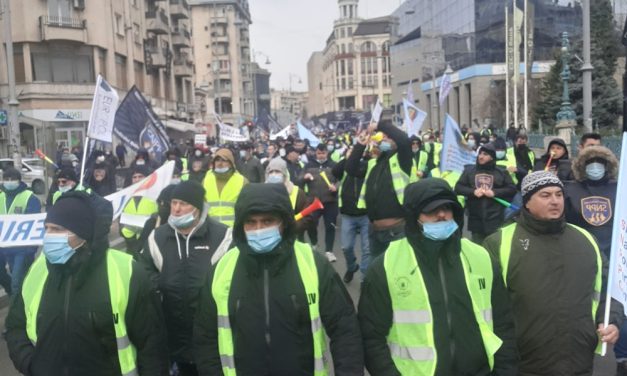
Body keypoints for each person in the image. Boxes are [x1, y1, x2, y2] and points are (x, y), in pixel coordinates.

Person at [193, 183, 364, 375]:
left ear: (284, 223)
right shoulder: (222, 270)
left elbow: (344, 329)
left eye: (267, 221)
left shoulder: (313, 264)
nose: (258, 229)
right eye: (251, 222)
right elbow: (205, 337)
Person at [358, 178, 518, 376]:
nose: (441, 215)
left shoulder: (480, 257)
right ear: (414, 216)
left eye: (447, 208)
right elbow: (371, 338)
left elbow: (503, 323)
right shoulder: (386, 265)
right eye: (431, 210)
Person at [5, 192, 169, 375]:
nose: (48, 237)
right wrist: (30, 363)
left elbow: (152, 345)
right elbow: (15, 325)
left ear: (85, 235)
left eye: (58, 229)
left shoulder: (127, 272)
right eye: (47, 228)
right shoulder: (38, 270)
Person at [483, 171, 623, 376]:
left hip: (579, 361)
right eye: (545, 195)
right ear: (527, 202)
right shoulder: (499, 243)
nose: (555, 201)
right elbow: (486, 305)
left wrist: (610, 319)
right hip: (524, 365)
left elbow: (607, 289)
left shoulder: (586, 240)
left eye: (558, 194)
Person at [141, 180, 232, 375]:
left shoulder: (223, 237)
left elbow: (232, 275)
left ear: (198, 207)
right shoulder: (157, 237)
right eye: (174, 203)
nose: (176, 209)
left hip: (212, 337)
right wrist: (161, 288)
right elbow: (145, 271)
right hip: (172, 334)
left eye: (183, 204)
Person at [346, 119, 413, 260]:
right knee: (378, 274)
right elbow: (351, 169)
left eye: (388, 137)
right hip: (375, 231)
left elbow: (404, 141)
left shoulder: (402, 160)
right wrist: (360, 146)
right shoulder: (373, 163)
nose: (384, 139)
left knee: (396, 271)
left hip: (397, 230)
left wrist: (379, 126)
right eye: (383, 137)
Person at [455, 144, 517, 244]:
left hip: (495, 218)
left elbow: (512, 189)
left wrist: (494, 193)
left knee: (493, 247)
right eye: (480, 153)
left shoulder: (501, 172)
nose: (481, 156)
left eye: (485, 154)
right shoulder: (469, 171)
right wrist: (473, 192)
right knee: (478, 248)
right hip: (475, 218)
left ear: (492, 157)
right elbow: (458, 187)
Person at [564, 145, 618, 258]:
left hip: (613, 249)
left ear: (607, 165)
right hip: (580, 248)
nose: (595, 166)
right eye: (590, 162)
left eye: (600, 162)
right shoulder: (570, 189)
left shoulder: (619, 188)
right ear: (582, 166)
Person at [0, 168, 42, 295]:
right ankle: (15, 297)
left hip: (22, 250)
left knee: (17, 282)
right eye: (6, 179)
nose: (9, 182)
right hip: (3, 247)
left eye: (13, 179)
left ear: (19, 180)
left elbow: (34, 224)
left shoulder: (30, 198)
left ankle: (17, 310)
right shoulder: (1, 197)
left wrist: (31, 249)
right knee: (8, 279)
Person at [332, 145, 371, 282]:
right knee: (346, 247)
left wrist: (365, 154)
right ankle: (351, 266)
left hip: (366, 215)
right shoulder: (345, 169)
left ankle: (364, 278)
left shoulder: (367, 166)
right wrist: (347, 158)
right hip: (348, 215)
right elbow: (335, 171)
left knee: (367, 249)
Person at [299, 143, 339, 262]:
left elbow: (340, 180)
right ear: (315, 153)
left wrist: (336, 187)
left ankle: (329, 251)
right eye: (318, 153)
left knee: (330, 226)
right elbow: (299, 179)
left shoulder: (334, 165)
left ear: (327, 153)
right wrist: (304, 177)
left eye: (323, 153)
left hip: (330, 201)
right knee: (310, 224)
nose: (321, 155)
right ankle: (314, 244)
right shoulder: (309, 165)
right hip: (313, 201)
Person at [265, 157, 311, 239]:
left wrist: (292, 228)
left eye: (277, 171)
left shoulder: (297, 192)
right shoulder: (261, 192)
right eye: (271, 172)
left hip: (293, 239)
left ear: (284, 174)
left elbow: (307, 217)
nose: (274, 174)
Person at [203, 148, 248, 227]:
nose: (220, 163)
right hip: (210, 230)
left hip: (233, 230)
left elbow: (247, 208)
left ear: (231, 163)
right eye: (217, 160)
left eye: (224, 160)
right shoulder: (206, 180)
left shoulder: (242, 181)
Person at [120, 166, 158, 258]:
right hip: (130, 242)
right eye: (134, 177)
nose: (137, 179)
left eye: (140, 176)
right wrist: (124, 233)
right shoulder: (126, 196)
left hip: (149, 242)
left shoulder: (155, 195)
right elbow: (121, 219)